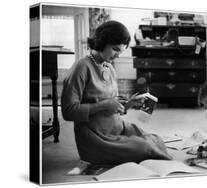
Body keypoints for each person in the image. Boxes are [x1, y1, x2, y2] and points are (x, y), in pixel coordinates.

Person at [61, 20, 171, 165]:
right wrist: (104, 105)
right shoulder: (81, 68)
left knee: (157, 140)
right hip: (97, 138)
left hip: (117, 128)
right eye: (115, 49)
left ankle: (130, 143)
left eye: (121, 51)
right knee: (146, 147)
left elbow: (113, 107)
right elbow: (68, 111)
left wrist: (130, 103)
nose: (118, 55)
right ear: (102, 42)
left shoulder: (109, 68)